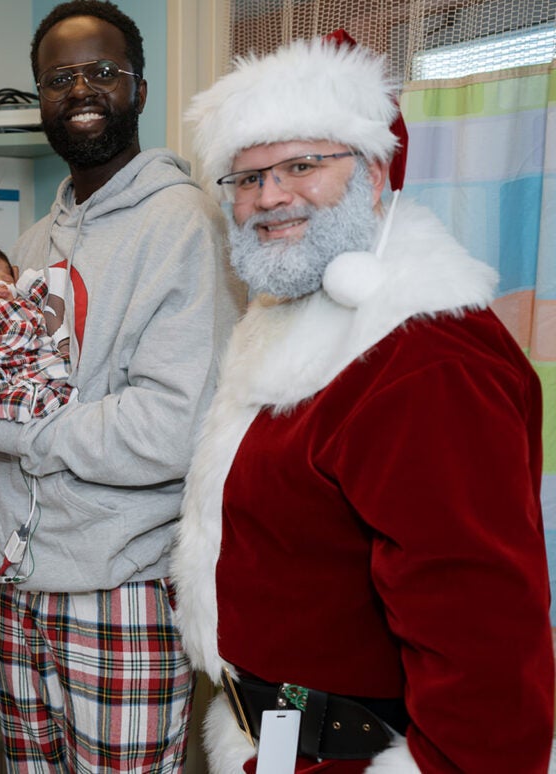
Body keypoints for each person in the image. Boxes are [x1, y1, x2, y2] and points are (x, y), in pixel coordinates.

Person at [173, 34, 554, 773]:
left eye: (303, 165)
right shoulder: (290, 322)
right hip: (277, 745)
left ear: (375, 173)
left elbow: (486, 648)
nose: (270, 196)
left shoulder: (424, 360)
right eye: (246, 178)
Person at [0, 1, 241, 770]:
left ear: (140, 90)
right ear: (41, 97)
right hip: (16, 589)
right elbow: (0, 389)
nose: (82, 90)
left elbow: (168, 429)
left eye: (104, 72)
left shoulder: (186, 226)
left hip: (121, 594)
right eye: (60, 78)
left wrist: (6, 432)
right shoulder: (33, 244)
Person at [0, 242, 75, 422]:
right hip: (0, 368)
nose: (0, 284)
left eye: (7, 279)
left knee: (66, 364)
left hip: (35, 360)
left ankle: (59, 401)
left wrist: (26, 282)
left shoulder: (24, 303)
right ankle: (29, 409)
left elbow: (44, 286)